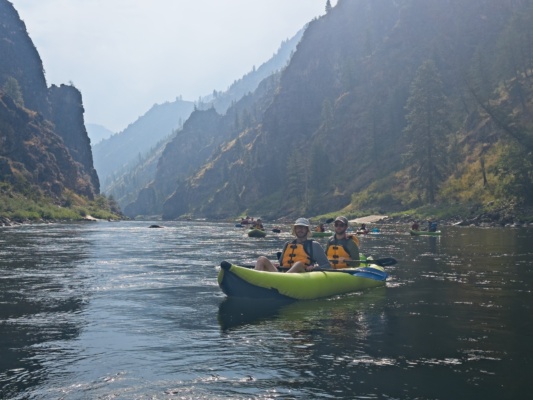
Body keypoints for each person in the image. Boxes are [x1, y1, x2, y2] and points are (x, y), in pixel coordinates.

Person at [255, 217, 331, 273]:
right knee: (261, 259)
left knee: (298, 264)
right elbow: (281, 263)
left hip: (302, 274)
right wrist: (277, 265)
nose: (300, 229)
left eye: (303, 227)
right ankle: (255, 283)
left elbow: (327, 266)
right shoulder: (287, 244)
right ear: (294, 229)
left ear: (307, 230)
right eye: (298, 227)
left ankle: (283, 280)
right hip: (282, 274)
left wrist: (314, 267)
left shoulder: (314, 245)